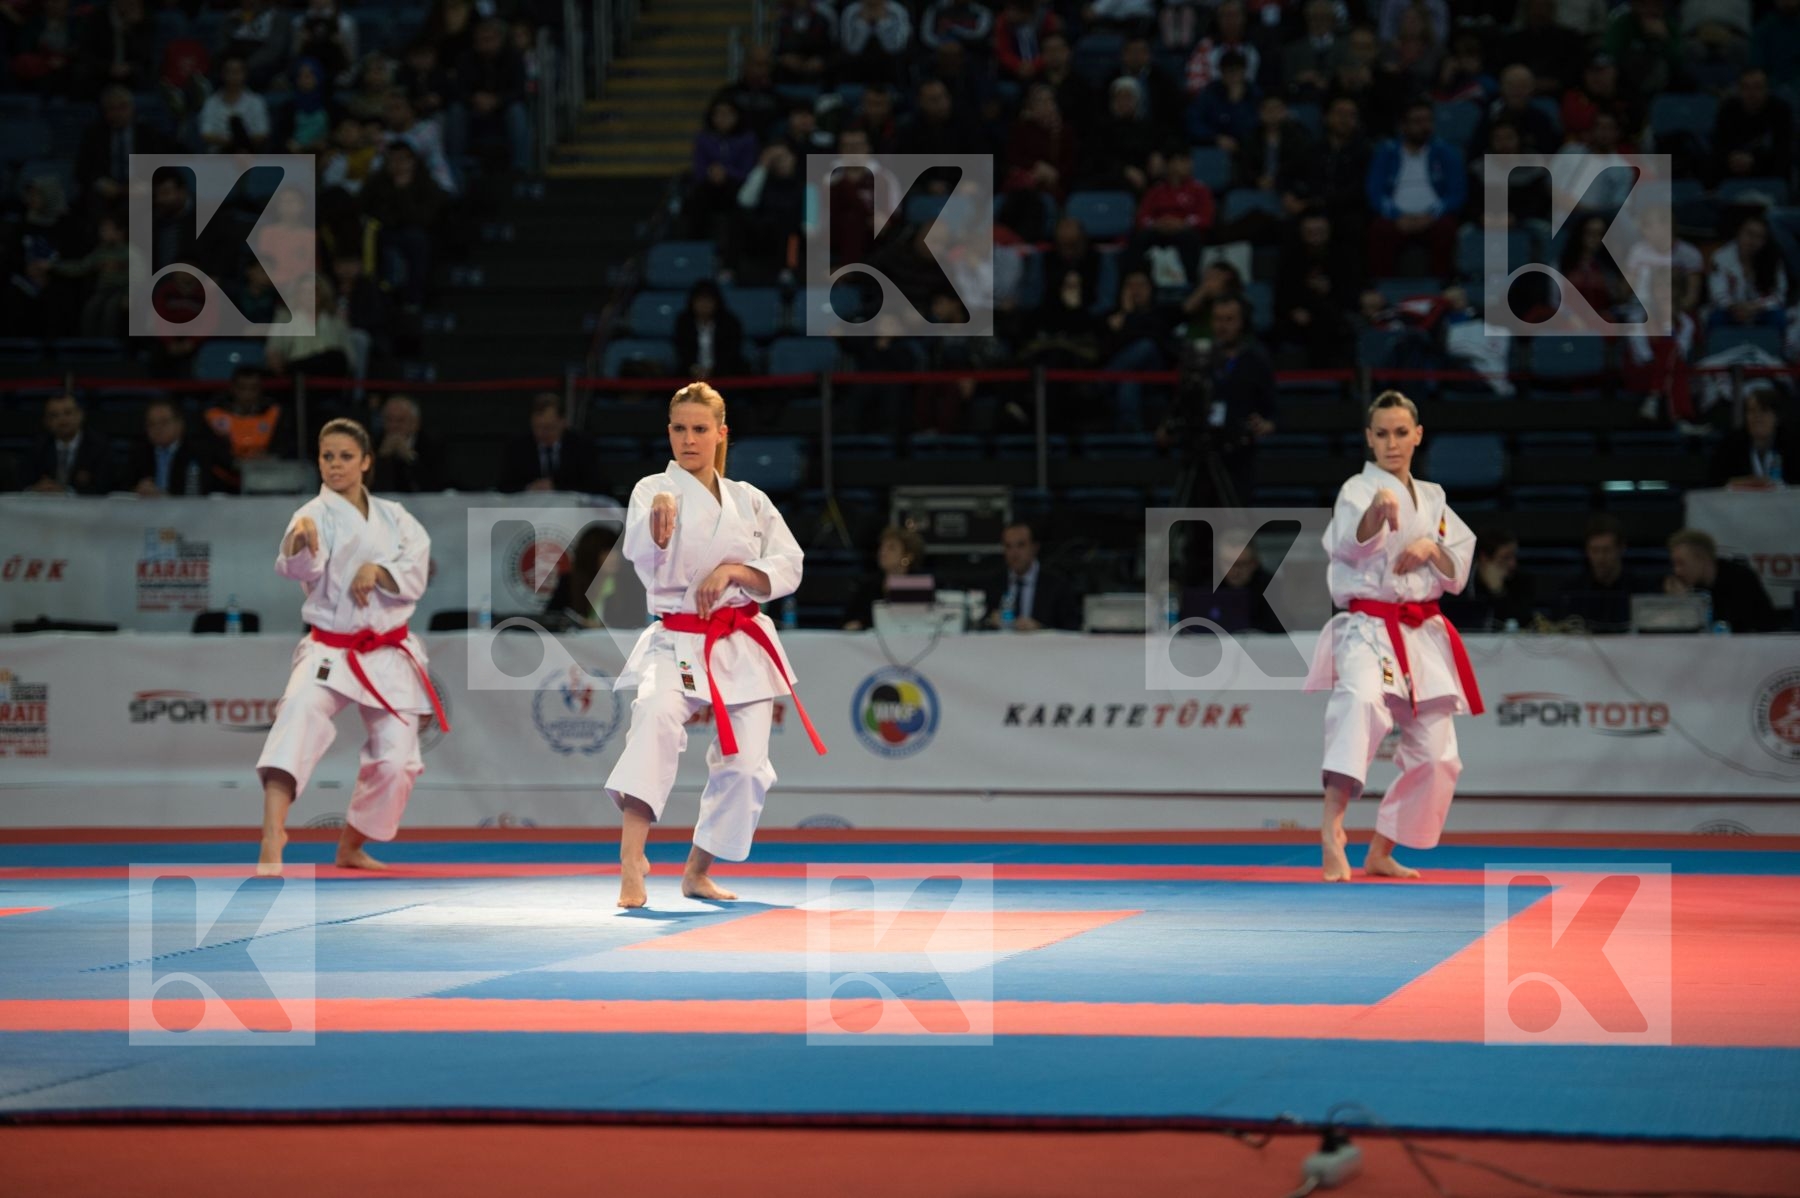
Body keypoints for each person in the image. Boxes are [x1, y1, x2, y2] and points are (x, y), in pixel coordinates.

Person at [605, 383, 824, 908]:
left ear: (721, 434)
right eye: (679, 429)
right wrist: (658, 520)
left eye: (700, 429)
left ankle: (697, 870)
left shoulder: (750, 500)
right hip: (676, 637)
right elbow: (641, 547)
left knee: (747, 768)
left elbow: (789, 564)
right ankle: (632, 861)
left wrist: (735, 570)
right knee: (655, 720)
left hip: (738, 639)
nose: (689, 439)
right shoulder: (652, 490)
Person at [254, 418, 449, 876]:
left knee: (397, 761)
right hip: (331, 649)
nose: (335, 465)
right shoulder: (311, 514)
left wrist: (377, 571)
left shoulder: (395, 516)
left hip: (386, 650)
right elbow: (298, 566)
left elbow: (416, 569)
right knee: (297, 714)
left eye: (345, 457)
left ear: (365, 462)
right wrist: (297, 541)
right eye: (327, 457)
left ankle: (351, 845)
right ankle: (271, 835)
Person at [1304, 390, 1485, 882]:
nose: (1392, 443)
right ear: (1369, 438)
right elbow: (1345, 546)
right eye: (1381, 434)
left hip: (1420, 631)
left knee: (1439, 755)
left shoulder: (1433, 498)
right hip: (1368, 626)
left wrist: (1430, 546)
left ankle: (1382, 849)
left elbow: (1458, 568)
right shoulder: (1357, 491)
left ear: (1417, 435)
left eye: (1401, 433)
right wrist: (1377, 513)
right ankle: (1330, 829)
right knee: (1361, 703)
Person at [1664, 528, 1779, 632]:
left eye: (1681, 563)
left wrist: (1686, 603)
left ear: (1702, 559)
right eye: (1674, 564)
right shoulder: (1692, 585)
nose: (1677, 571)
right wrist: (1679, 602)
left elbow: (1726, 628)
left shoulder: (1739, 579)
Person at [499, 393, 609, 493]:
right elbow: (504, 486)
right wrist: (529, 488)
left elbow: (596, 486)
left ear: (563, 422)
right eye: (537, 427)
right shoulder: (517, 447)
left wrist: (556, 487)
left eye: (548, 427)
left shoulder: (582, 446)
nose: (541, 433)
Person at [984, 521, 1083, 631]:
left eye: (1021, 545)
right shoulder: (994, 583)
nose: (1014, 553)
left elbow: (1072, 627)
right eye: (1008, 546)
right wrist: (990, 621)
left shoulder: (1057, 585)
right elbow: (981, 621)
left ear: (1034, 547)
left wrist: (1041, 629)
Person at [1440, 526, 1537, 631]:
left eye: (1514, 556)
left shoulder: (1522, 580)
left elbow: (1524, 621)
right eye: (1505, 558)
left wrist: (1498, 591)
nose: (1513, 564)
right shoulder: (1459, 581)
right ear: (1484, 558)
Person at [127, 398, 229, 496]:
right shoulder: (140, 450)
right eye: (151, 424)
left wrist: (163, 496)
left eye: (164, 422)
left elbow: (200, 490)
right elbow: (122, 486)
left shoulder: (199, 452)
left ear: (179, 424)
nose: (157, 428)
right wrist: (137, 490)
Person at [843, 524, 928, 630]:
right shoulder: (867, 586)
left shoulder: (919, 586)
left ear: (907, 556)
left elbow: (925, 622)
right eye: (882, 547)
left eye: (891, 548)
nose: (882, 552)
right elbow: (848, 621)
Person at [26, 394, 113, 495]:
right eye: (54, 415)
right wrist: (35, 489)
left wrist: (66, 492)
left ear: (80, 415)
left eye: (68, 413)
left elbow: (104, 487)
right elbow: (25, 481)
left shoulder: (99, 446)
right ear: (46, 421)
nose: (62, 420)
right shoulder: (39, 446)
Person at [1709, 386, 1795, 487]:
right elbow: (1715, 479)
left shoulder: (1792, 443)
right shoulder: (1732, 442)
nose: (1757, 416)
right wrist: (1746, 482)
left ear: (1776, 416)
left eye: (1764, 411)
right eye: (1752, 411)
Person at [371, 395, 447, 492]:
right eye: (389, 420)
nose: (393, 426)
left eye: (400, 421)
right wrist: (381, 458)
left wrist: (410, 458)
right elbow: (366, 484)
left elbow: (436, 483)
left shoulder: (431, 443)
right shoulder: (373, 442)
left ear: (415, 423)